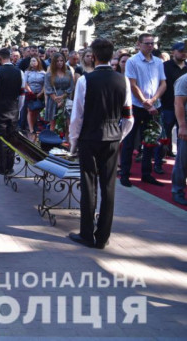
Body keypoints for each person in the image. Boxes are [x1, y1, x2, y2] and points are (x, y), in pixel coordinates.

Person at [68, 38, 134, 249]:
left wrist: (73, 142)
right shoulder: (122, 80)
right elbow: (128, 115)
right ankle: (103, 236)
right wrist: (119, 135)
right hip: (112, 138)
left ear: (93, 56)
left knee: (88, 186)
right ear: (112, 56)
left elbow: (77, 116)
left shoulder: (85, 80)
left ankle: (87, 233)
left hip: (89, 137)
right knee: (108, 186)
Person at [120, 33, 166, 187]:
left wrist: (153, 101)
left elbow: (163, 83)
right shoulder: (132, 61)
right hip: (135, 106)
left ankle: (146, 174)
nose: (150, 46)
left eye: (152, 43)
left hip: (153, 107)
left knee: (150, 141)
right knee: (129, 140)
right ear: (139, 44)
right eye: (147, 43)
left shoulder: (158, 62)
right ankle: (125, 174)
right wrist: (146, 103)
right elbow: (132, 85)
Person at [0, 48, 25, 175]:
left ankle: (2, 166)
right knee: (11, 137)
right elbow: (22, 94)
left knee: (1, 137)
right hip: (13, 108)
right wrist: (18, 108)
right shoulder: (20, 72)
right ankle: (10, 165)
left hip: (0, 109)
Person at [160, 42, 187, 158]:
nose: (184, 54)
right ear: (173, 52)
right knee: (165, 134)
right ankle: (160, 159)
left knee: (182, 134)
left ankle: (179, 155)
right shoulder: (164, 66)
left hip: (184, 108)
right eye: (181, 51)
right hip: (168, 106)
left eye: (185, 52)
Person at [44, 53, 74, 138]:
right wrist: (56, 99)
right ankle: (51, 141)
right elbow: (48, 88)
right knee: (52, 123)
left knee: (68, 123)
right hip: (53, 100)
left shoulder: (68, 73)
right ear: (54, 62)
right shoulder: (49, 74)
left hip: (66, 100)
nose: (60, 63)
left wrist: (62, 98)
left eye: (62, 61)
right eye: (57, 61)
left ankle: (67, 142)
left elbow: (71, 87)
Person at [171, 71, 187, 205]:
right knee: (183, 159)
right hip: (186, 126)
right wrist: (182, 126)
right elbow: (179, 103)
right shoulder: (184, 80)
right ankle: (177, 190)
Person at [24, 57, 46, 138]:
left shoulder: (43, 73)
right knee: (30, 110)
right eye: (31, 61)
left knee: (36, 111)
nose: (32, 62)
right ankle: (31, 129)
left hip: (39, 94)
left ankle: (34, 126)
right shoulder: (27, 72)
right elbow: (25, 83)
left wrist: (41, 93)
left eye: (34, 61)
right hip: (30, 93)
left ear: (38, 62)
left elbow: (45, 84)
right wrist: (30, 92)